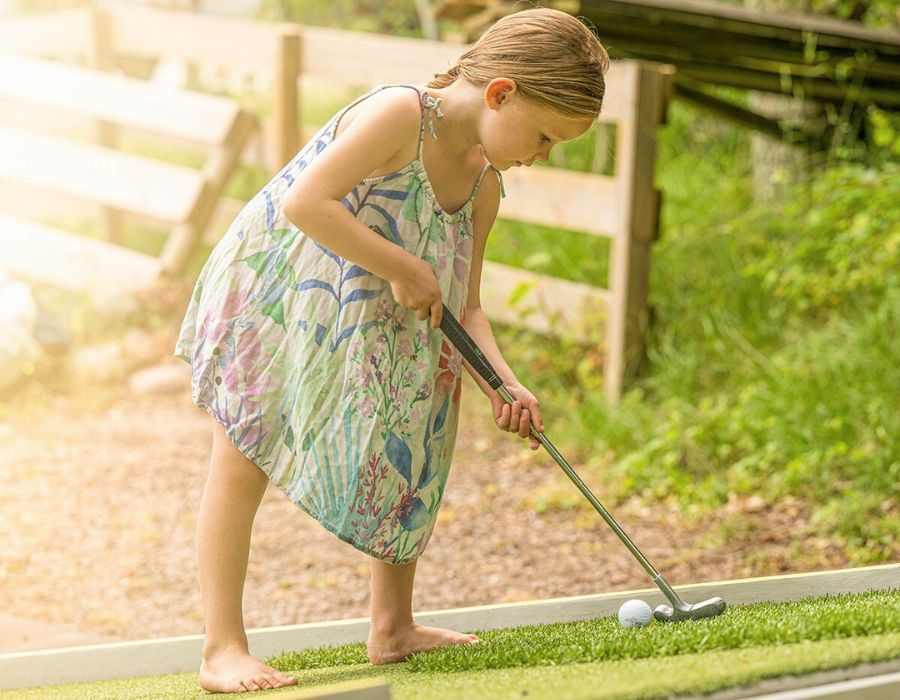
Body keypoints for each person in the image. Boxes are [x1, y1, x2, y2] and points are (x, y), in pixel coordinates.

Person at [174, 6, 609, 693]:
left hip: (378, 313)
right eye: (545, 135)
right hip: (289, 294)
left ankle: (392, 626)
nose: (542, 154)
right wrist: (401, 267)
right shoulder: (401, 115)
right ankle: (221, 647)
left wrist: (506, 383)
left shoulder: (486, 184)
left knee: (418, 431)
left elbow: (466, 306)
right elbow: (305, 203)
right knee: (244, 454)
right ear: (501, 93)